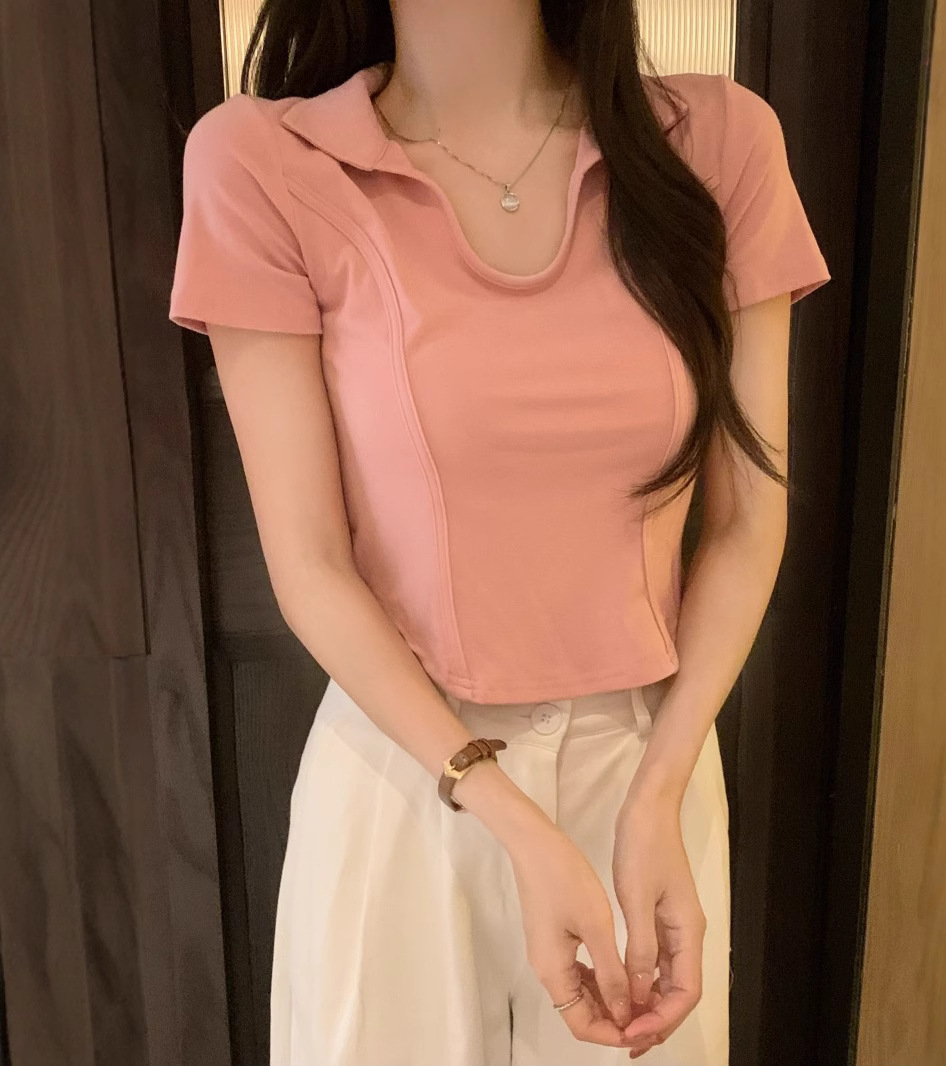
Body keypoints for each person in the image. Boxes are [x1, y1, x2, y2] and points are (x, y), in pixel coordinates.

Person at [168, 1, 830, 1062]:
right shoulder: (265, 163)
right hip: (408, 781)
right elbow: (310, 563)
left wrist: (660, 789)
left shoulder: (719, 146)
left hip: (646, 777)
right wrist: (509, 815)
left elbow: (749, 517)